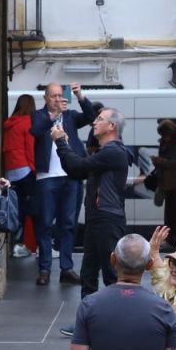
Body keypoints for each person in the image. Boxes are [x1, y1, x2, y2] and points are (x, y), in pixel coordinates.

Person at [56, 107, 147, 308]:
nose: (94, 122)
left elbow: (77, 167)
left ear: (111, 126)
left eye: (99, 119)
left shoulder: (113, 151)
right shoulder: (106, 152)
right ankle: (87, 321)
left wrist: (61, 142)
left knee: (111, 273)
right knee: (88, 273)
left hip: (107, 218)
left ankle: (117, 320)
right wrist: (64, 146)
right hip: (97, 217)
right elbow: (77, 171)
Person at [30, 82, 102, 286]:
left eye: (60, 95)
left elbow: (90, 117)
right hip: (47, 177)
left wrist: (80, 96)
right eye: (53, 96)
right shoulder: (39, 115)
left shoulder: (70, 116)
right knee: (44, 224)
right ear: (45, 98)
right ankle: (44, 269)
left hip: (71, 176)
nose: (57, 99)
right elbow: (36, 130)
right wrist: (53, 116)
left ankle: (66, 268)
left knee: (68, 224)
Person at [141, 119, 176, 248]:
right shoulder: (165, 143)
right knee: (170, 215)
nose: (163, 137)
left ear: (170, 132)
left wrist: (162, 162)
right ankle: (171, 239)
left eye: (164, 134)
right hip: (169, 184)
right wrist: (159, 162)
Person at [2, 94, 38, 263]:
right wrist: (34, 169)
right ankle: (25, 244)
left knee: (13, 208)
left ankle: (13, 243)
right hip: (25, 169)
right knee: (30, 209)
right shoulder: (27, 122)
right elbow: (30, 147)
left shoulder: (9, 123)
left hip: (11, 171)